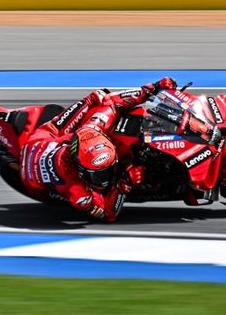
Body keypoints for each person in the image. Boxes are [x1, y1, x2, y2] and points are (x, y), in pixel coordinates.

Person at [19, 77, 178, 222]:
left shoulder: (93, 127)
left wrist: (153, 88)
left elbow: (112, 101)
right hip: (34, 172)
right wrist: (122, 184)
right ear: (81, 171)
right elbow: (108, 214)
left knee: (98, 96)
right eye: (99, 174)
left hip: (45, 142)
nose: (106, 175)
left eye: (107, 169)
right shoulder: (77, 192)